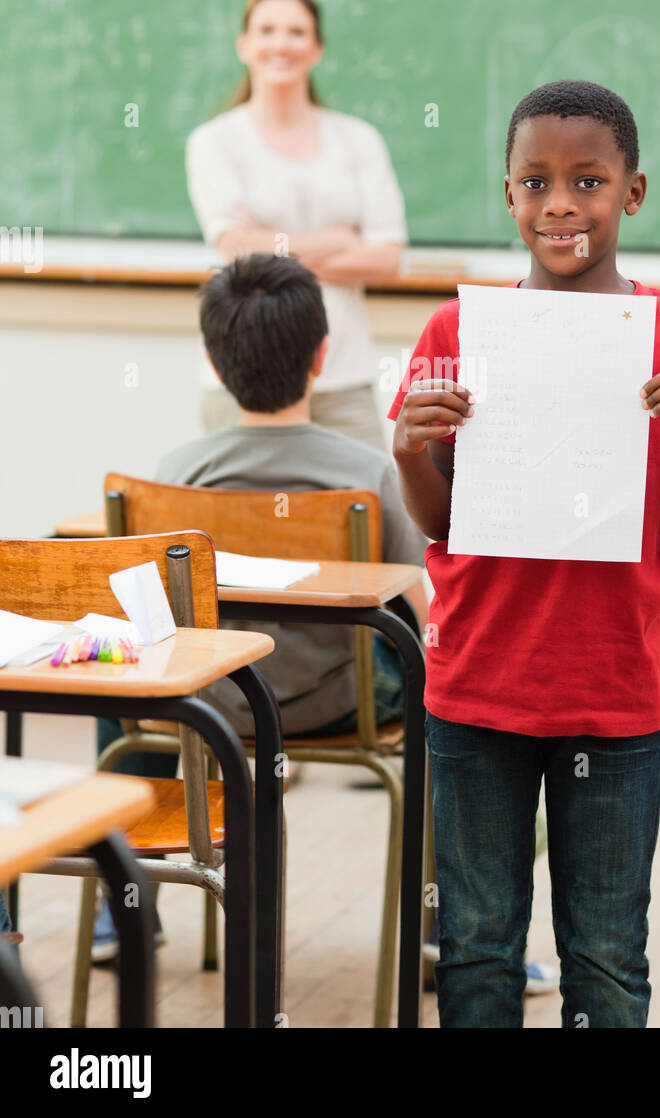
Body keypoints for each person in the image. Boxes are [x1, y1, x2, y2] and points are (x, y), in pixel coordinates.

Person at [387, 79, 660, 1029]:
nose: (561, 203)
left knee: (603, 954)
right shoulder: (455, 330)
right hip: (477, 683)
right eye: (537, 182)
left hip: (611, 689)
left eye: (588, 181)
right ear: (507, 195)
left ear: (632, 193)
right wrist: (407, 452)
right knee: (475, 947)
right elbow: (439, 521)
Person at [92, 251, 429, 963]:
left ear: (215, 365)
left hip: (208, 705)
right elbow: (420, 612)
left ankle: (121, 906)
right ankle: (440, 930)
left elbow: (157, 612)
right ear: (322, 358)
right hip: (342, 706)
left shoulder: (179, 471)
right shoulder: (367, 473)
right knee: (440, 704)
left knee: (118, 696)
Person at [185, 0, 409, 452]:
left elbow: (387, 258)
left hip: (343, 374)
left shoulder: (359, 140)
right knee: (241, 524)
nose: (281, 43)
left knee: (366, 511)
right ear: (244, 45)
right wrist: (340, 239)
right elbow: (234, 248)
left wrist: (271, 255)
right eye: (267, 30)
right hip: (242, 377)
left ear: (317, 48)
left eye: (296, 32)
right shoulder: (214, 142)